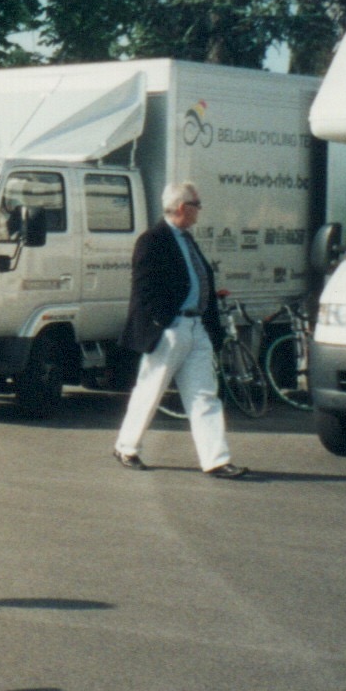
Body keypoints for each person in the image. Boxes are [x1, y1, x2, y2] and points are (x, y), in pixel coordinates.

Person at [112, 181, 249, 479]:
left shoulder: (187, 240)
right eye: (197, 205)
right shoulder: (153, 240)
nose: (200, 211)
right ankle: (126, 446)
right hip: (171, 328)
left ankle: (216, 459)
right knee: (151, 390)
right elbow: (144, 289)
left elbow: (198, 280)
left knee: (204, 394)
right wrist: (163, 323)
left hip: (195, 326)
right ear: (183, 208)